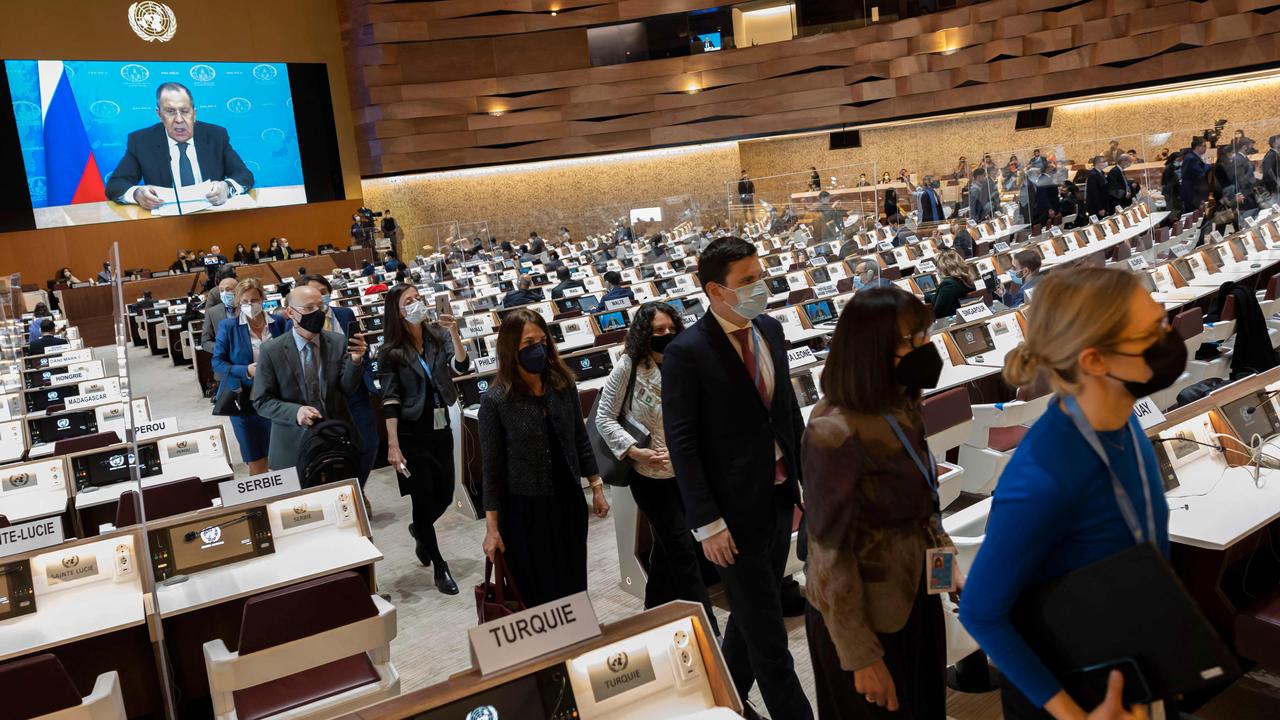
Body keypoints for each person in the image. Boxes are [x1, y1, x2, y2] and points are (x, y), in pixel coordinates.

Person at [961, 266, 1180, 720]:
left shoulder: (1123, 420)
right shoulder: (1040, 477)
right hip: (1074, 695)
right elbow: (981, 614)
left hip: (1129, 667)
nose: (1169, 334)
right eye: (1153, 330)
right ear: (1096, 362)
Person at [662, 237, 812, 720]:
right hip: (730, 515)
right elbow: (682, 443)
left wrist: (809, 483)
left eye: (760, 275)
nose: (760, 287)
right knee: (770, 638)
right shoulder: (687, 352)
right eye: (747, 281)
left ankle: (719, 701)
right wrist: (706, 522)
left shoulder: (769, 328)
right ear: (714, 290)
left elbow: (786, 414)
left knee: (750, 619)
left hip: (778, 496)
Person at [803, 287, 950, 719]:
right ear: (873, 350)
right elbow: (829, 555)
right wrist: (861, 657)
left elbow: (924, 504)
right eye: (913, 340)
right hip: (861, 618)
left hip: (913, 597)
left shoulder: (901, 403)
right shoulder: (834, 430)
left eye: (924, 335)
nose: (925, 347)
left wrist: (944, 567)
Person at [594, 303, 719, 630]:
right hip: (650, 478)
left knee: (668, 549)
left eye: (669, 329)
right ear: (643, 335)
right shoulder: (629, 366)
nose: (665, 335)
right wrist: (635, 452)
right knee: (683, 551)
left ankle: (652, 608)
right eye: (657, 331)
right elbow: (604, 418)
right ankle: (710, 629)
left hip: (688, 473)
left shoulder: (686, 362)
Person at [478, 309, 609, 607]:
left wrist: (596, 487)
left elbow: (580, 438)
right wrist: (492, 527)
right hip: (524, 511)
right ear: (511, 349)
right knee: (537, 590)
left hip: (569, 502)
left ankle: (577, 644)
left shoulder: (563, 385)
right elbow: (492, 469)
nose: (538, 348)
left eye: (542, 340)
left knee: (573, 580)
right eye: (528, 344)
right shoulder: (496, 401)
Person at [380, 283, 471, 594]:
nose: (417, 303)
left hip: (440, 424)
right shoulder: (390, 351)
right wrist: (393, 444)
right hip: (411, 431)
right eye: (409, 300)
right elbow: (390, 400)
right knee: (422, 496)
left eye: (418, 298)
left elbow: (462, 365)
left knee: (445, 493)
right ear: (398, 310)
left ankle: (420, 529)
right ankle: (439, 566)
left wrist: (456, 333)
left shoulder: (437, 335)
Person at [251, 286, 367, 471]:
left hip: (337, 438)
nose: (317, 313)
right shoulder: (271, 351)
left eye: (320, 307)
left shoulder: (337, 341)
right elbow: (261, 401)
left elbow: (347, 389)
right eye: (309, 308)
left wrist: (355, 360)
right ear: (290, 312)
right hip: (292, 445)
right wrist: (296, 412)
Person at [105, 82, 254, 208]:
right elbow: (115, 185)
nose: (179, 119)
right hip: (167, 223)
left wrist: (227, 188)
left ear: (194, 113)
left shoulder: (216, 135)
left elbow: (244, 175)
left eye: (185, 111)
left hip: (212, 217)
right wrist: (137, 194)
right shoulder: (142, 141)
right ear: (159, 114)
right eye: (170, 111)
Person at [299, 274, 378, 492]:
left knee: (368, 444)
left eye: (324, 293)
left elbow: (358, 345)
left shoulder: (345, 313)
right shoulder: (299, 321)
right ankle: (343, 492)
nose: (321, 298)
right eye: (315, 294)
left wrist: (362, 363)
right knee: (329, 447)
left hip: (354, 389)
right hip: (323, 396)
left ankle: (357, 489)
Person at [213, 278, 287, 475]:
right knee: (257, 460)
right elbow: (217, 363)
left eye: (254, 300)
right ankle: (261, 505)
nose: (250, 305)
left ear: (262, 299)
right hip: (243, 401)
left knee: (281, 457)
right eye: (245, 301)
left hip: (275, 397)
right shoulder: (228, 326)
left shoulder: (278, 322)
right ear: (238, 302)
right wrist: (246, 370)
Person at [929, 250, 978, 319]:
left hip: (951, 321)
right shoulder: (966, 279)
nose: (936, 270)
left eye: (937, 267)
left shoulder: (948, 285)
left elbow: (938, 313)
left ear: (943, 268)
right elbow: (943, 296)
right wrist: (923, 297)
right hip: (968, 317)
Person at [200, 275, 239, 355]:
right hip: (225, 359)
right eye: (221, 291)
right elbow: (205, 342)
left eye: (228, 290)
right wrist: (222, 349)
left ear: (238, 290)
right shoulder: (212, 313)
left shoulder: (247, 308)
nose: (224, 293)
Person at [1180, 136, 1212, 212]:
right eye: (1204, 146)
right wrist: (1209, 165)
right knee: (1194, 216)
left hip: (1195, 193)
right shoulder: (1191, 158)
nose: (1205, 148)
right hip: (1192, 194)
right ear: (1197, 147)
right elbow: (1200, 172)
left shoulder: (1194, 157)